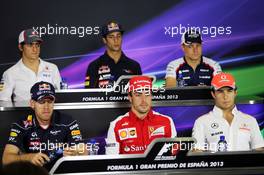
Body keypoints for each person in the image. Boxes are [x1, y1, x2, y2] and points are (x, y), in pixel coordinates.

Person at [2, 81, 86, 170]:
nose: (46, 106)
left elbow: (84, 151)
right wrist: (28, 158)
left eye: (49, 101)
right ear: (32, 104)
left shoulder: (68, 121)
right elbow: (6, 159)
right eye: (41, 101)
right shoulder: (21, 124)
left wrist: (75, 153)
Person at [192, 72, 264, 152]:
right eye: (220, 91)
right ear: (213, 94)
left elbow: (259, 151)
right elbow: (196, 154)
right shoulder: (201, 122)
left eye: (229, 91)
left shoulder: (250, 120)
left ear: (235, 93)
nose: (225, 96)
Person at [105, 76, 177, 154]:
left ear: (151, 96)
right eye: (138, 95)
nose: (143, 100)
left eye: (147, 94)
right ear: (130, 97)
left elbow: (174, 156)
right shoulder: (116, 125)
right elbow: (112, 161)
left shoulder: (167, 121)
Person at [0, 29, 61, 102]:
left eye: (37, 45)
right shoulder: (10, 74)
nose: (35, 49)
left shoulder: (53, 68)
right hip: (22, 113)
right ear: (20, 47)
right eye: (30, 45)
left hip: (49, 113)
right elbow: (3, 103)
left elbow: (60, 96)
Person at [85, 21, 142, 88]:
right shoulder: (94, 66)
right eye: (111, 37)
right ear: (104, 40)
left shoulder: (134, 66)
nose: (116, 40)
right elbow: (88, 95)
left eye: (118, 36)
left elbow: (140, 93)